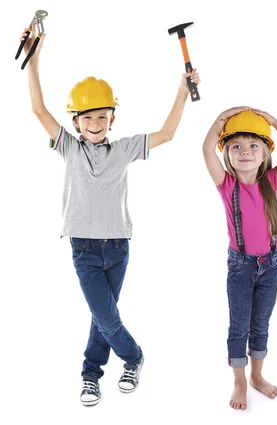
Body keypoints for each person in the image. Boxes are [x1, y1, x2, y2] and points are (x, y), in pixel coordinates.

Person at [20, 27, 200, 406]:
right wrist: (33, 60)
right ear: (76, 122)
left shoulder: (124, 149)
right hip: (83, 249)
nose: (96, 123)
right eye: (88, 118)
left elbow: (167, 133)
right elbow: (38, 109)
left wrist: (183, 90)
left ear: (112, 118)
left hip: (118, 247)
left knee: (103, 316)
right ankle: (132, 357)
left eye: (102, 115)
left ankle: (90, 376)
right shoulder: (68, 148)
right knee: (106, 315)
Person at [203, 107, 277, 410]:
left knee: (260, 324)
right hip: (241, 267)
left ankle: (257, 376)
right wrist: (221, 119)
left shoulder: (272, 181)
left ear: (264, 154)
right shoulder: (226, 184)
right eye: (236, 146)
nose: (245, 151)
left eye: (253, 145)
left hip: (271, 265)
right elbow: (206, 147)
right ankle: (239, 380)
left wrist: (273, 121)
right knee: (239, 327)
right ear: (227, 154)